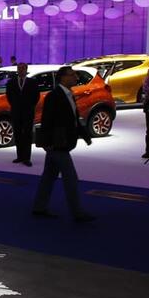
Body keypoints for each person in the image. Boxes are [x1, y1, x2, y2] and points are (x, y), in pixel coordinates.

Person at [32, 66, 94, 222]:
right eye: (71, 75)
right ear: (63, 78)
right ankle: (77, 212)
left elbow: (74, 118)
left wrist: (84, 134)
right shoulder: (54, 96)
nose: (75, 77)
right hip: (57, 144)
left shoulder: (69, 95)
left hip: (61, 142)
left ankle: (39, 206)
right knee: (70, 178)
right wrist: (48, 142)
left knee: (49, 176)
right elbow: (47, 120)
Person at [5, 62, 39, 166]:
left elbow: (36, 97)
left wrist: (29, 106)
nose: (20, 70)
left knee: (27, 135)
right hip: (16, 112)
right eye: (18, 69)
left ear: (26, 70)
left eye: (22, 69)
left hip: (28, 112)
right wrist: (15, 106)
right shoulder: (11, 82)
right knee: (18, 134)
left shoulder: (32, 82)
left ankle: (27, 158)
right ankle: (19, 156)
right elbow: (9, 96)